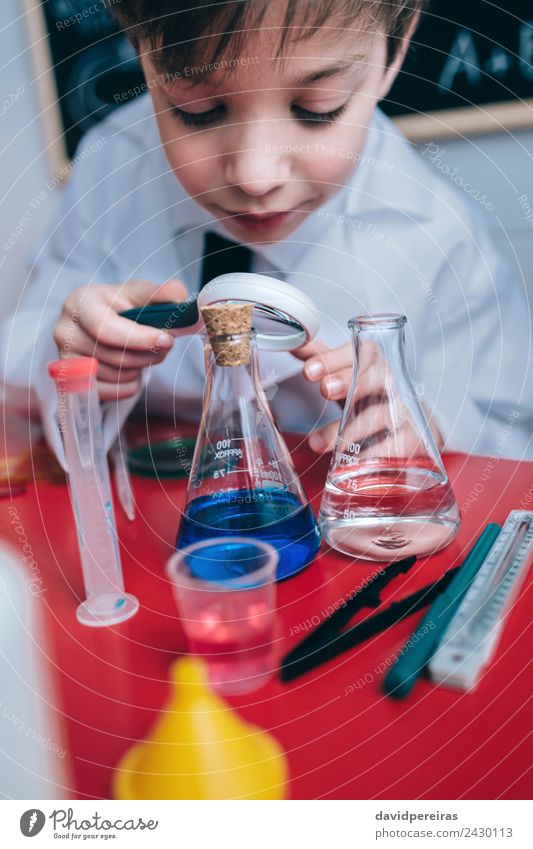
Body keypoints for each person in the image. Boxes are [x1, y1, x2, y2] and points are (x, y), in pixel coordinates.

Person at [1, 0, 531, 463]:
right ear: (141, 51)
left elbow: (504, 423)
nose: (256, 177)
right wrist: (77, 352)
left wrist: (431, 422)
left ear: (393, 53)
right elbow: (23, 356)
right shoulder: (109, 170)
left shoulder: (441, 234)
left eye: (316, 110)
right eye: (198, 110)